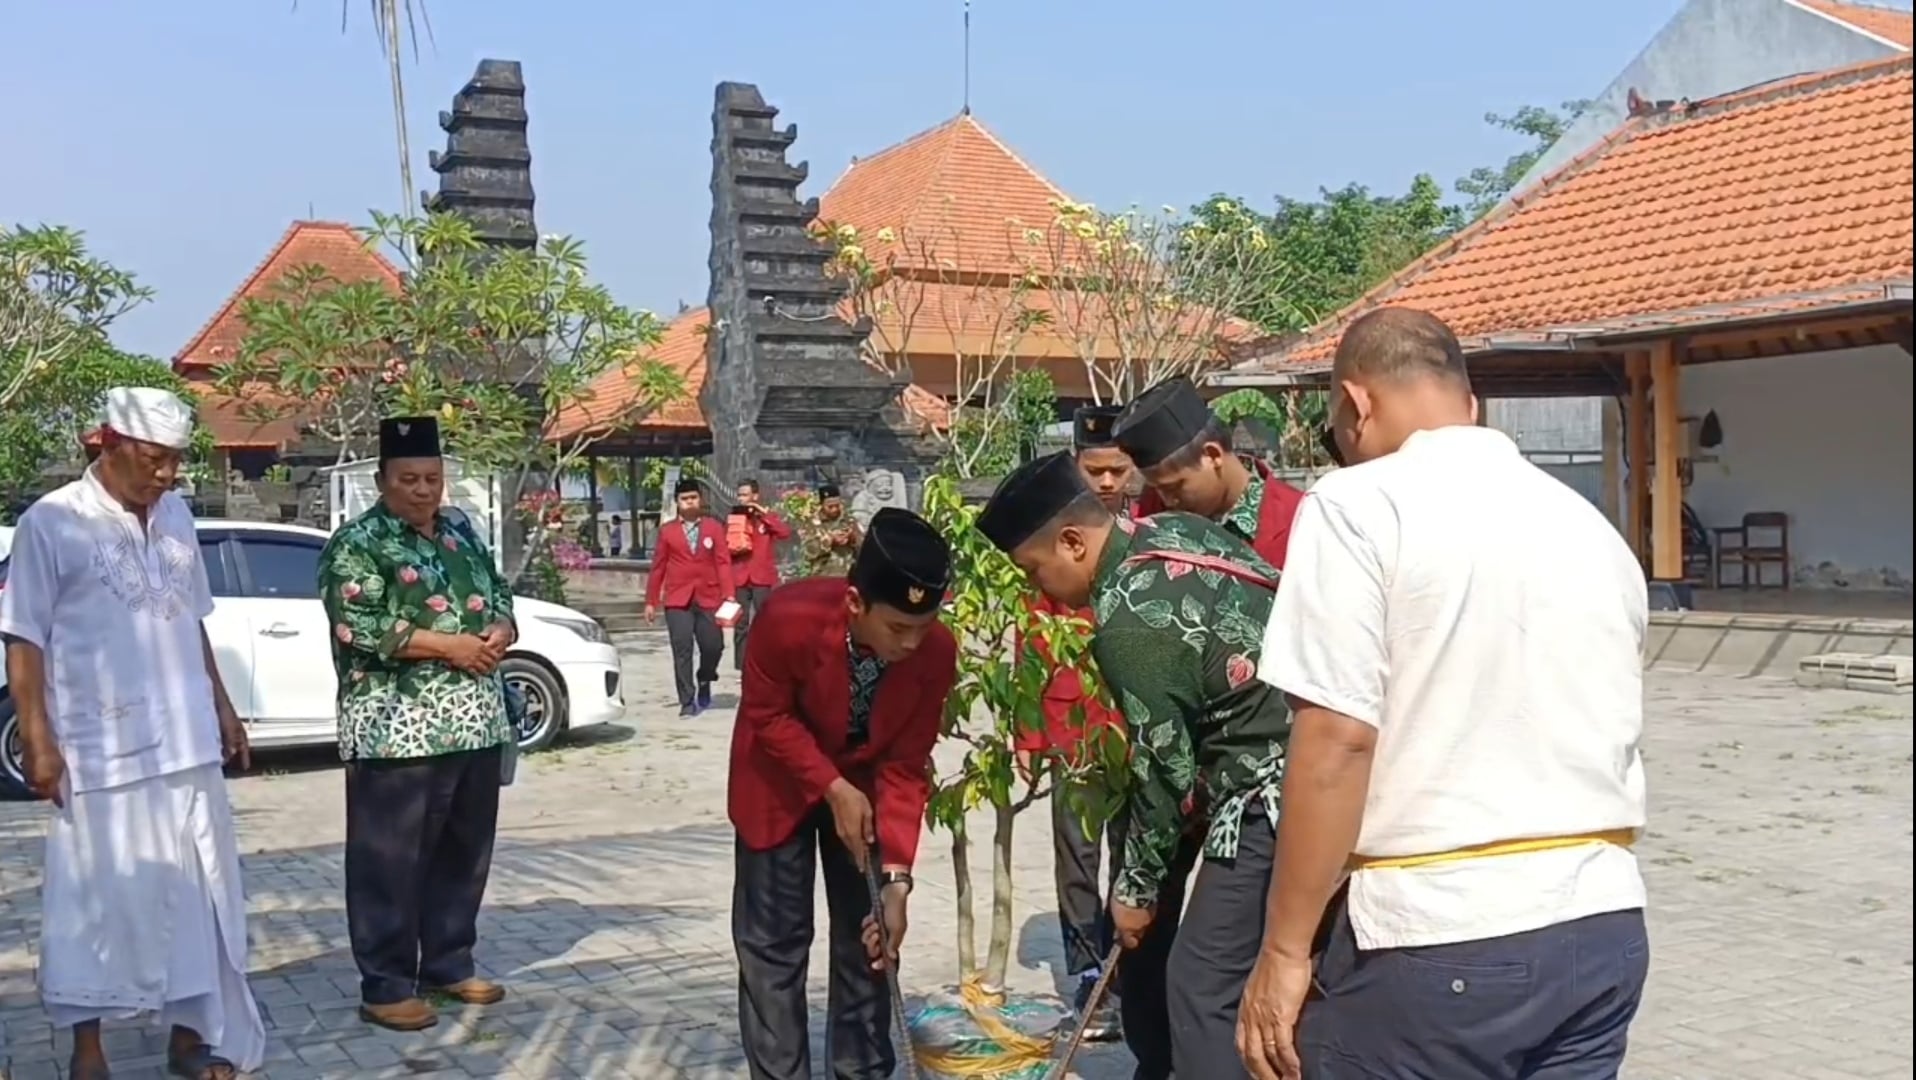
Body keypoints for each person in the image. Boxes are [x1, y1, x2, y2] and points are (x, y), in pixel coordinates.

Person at [1237, 308, 1650, 1080]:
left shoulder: (1359, 505)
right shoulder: (1589, 525)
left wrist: (1285, 952)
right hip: (1601, 924)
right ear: (1472, 406)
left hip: (1439, 937)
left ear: (1356, 405)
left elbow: (1337, 740)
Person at [978, 452, 1290, 1080]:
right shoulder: (1179, 530)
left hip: (1266, 787)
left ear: (1071, 543)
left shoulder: (1126, 620)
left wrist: (1134, 892)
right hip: (1300, 754)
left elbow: (1165, 768)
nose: (1040, 590)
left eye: (1035, 571)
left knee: (1200, 986)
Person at [0, 387, 266, 1079]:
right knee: (97, 894)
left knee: (195, 888)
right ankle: (89, 1049)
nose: (167, 475)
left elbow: (191, 618)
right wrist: (38, 739)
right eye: (154, 459)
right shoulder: (50, 523)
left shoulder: (177, 515)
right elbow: (23, 639)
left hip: (186, 740)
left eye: (176, 461)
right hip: (101, 746)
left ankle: (189, 1034)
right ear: (107, 444)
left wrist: (224, 707)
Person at [729, 508, 957, 1080]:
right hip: (775, 786)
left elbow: (906, 766)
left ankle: (862, 1071)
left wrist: (897, 880)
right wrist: (830, 786)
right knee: (775, 947)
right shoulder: (788, 618)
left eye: (923, 626)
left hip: (868, 791)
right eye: (897, 629)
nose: (910, 643)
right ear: (855, 604)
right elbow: (767, 715)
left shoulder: (934, 652)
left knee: (870, 944)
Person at [318, 415, 518, 1032]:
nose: (424, 489)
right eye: (409, 479)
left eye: (432, 478)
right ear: (382, 481)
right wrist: (449, 646)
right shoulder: (357, 543)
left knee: (464, 852)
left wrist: (502, 630)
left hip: (476, 724)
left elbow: (500, 591)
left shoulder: (460, 532)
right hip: (396, 728)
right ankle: (385, 983)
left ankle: (449, 963)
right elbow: (361, 625)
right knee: (390, 860)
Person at [1015, 404, 1134, 1043]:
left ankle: (1131, 976)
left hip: (1131, 725)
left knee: (1134, 854)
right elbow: (1029, 642)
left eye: (1117, 470)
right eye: (1096, 470)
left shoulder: (1149, 536)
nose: (1108, 483)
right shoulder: (1053, 540)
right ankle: (1090, 979)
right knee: (1077, 859)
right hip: (1074, 728)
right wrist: (1028, 734)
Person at [1112, 376, 1306, 569]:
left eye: (1174, 487)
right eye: (1158, 489)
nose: (1168, 501)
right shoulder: (1153, 515)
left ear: (1212, 455)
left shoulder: (1300, 520)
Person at [646, 478, 737, 715]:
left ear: (701, 499)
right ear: (677, 502)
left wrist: (728, 594)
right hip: (678, 599)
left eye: (693, 498)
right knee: (682, 648)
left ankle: (705, 677)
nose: (689, 502)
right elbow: (658, 567)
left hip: (709, 595)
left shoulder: (713, 528)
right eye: (684, 499)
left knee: (713, 645)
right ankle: (687, 701)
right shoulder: (667, 532)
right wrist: (651, 600)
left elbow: (723, 562)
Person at [730, 477, 793, 671]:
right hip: (740, 577)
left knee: (765, 621)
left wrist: (763, 514)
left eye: (746, 495)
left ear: (755, 496)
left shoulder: (765, 517)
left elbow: (784, 533)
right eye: (739, 495)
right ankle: (742, 666)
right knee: (740, 625)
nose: (742, 499)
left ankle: (767, 661)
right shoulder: (734, 518)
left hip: (761, 578)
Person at [798, 482, 863, 577]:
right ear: (822, 505)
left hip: (849, 574)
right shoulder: (812, 523)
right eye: (830, 507)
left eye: (837, 505)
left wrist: (852, 538)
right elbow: (809, 551)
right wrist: (830, 541)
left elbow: (864, 544)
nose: (834, 509)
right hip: (824, 575)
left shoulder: (849, 520)